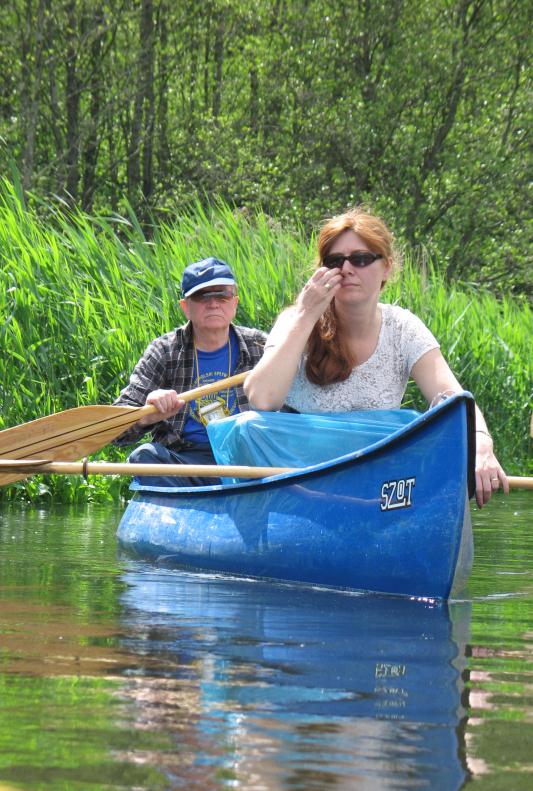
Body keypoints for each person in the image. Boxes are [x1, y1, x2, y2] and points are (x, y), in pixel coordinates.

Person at [244, 207, 508, 507]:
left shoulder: (403, 328)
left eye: (360, 259)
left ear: (386, 268)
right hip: (298, 484)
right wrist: (306, 315)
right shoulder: (296, 320)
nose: (346, 269)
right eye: (334, 261)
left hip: (376, 487)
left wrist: (481, 443)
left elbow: (454, 399)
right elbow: (262, 399)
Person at [113, 257, 267, 486]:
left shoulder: (262, 346)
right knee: (144, 457)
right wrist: (148, 415)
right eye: (202, 296)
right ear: (185, 307)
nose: (213, 303)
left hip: (247, 459)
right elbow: (118, 431)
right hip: (187, 460)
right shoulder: (164, 351)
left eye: (222, 295)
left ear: (234, 302)